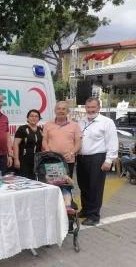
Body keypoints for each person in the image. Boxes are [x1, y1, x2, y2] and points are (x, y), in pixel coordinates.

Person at [77, 97, 118, 226]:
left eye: (93, 107)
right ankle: (86, 209)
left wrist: (108, 161)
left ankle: (94, 216)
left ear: (98, 108)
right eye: (88, 107)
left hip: (97, 159)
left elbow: (112, 142)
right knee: (83, 185)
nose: (90, 110)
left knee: (95, 187)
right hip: (82, 158)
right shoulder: (80, 121)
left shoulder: (107, 122)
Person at [42, 101, 82, 178]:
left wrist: (71, 153)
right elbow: (44, 141)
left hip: (68, 160)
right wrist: (48, 151)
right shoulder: (48, 125)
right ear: (55, 111)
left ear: (68, 112)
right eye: (58, 109)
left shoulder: (75, 125)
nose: (60, 111)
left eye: (63, 109)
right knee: (53, 182)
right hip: (52, 160)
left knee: (66, 183)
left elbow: (78, 143)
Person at [13, 109, 43, 180]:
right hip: (23, 160)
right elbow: (15, 144)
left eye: (36, 116)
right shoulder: (22, 129)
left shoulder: (41, 130)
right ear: (27, 118)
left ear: (39, 118)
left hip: (35, 161)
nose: (34, 118)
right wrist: (16, 159)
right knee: (23, 180)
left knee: (34, 180)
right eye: (31, 116)